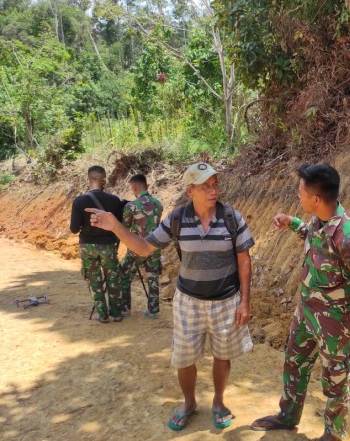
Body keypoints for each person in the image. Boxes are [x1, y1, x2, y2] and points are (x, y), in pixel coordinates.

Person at [85, 162, 254, 432]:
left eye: (215, 184)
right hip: (188, 302)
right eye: (205, 186)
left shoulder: (233, 218)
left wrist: (245, 301)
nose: (214, 190)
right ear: (190, 191)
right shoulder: (176, 218)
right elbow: (142, 247)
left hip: (226, 301)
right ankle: (189, 403)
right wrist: (116, 226)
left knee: (223, 356)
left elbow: (244, 260)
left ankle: (219, 402)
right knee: (184, 358)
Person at [251, 163, 350, 441]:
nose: (298, 196)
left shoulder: (349, 237)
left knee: (335, 381)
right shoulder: (320, 221)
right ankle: (287, 416)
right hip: (305, 313)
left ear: (317, 199)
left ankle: (334, 434)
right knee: (294, 364)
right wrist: (292, 222)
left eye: (300, 192)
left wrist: (338, 303)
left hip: (333, 325)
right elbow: (313, 235)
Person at [70, 165, 124, 323]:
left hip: (87, 246)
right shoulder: (114, 201)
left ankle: (102, 314)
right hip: (108, 246)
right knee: (113, 278)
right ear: (104, 180)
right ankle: (117, 313)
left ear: (89, 179)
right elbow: (119, 225)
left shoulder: (79, 201)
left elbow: (74, 229)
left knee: (94, 280)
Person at [119, 174, 163, 318]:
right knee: (153, 278)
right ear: (147, 186)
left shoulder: (131, 206)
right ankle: (153, 311)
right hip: (155, 247)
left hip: (136, 248)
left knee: (124, 274)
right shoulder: (159, 204)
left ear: (134, 187)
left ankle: (125, 309)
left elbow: (124, 228)